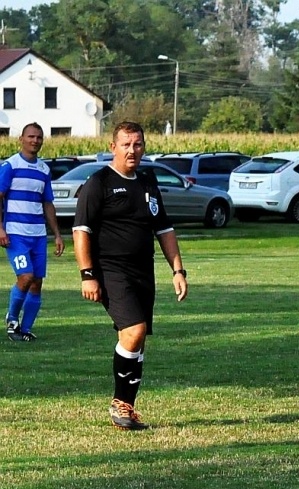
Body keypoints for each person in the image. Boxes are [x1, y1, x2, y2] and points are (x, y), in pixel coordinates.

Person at [72, 122, 188, 432]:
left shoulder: (148, 182)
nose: (132, 150)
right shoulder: (99, 183)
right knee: (134, 331)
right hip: (111, 270)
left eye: (137, 144)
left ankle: (127, 409)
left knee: (135, 341)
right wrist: (87, 275)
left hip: (143, 272)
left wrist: (177, 270)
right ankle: (119, 404)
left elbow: (164, 229)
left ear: (144, 146)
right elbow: (81, 231)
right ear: (113, 147)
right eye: (125, 144)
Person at [0, 123, 64, 342]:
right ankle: (11, 319)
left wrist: (56, 234)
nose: (35, 140)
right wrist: (0, 228)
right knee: (25, 277)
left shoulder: (44, 170)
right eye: (31, 136)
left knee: (36, 283)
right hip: (15, 234)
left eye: (38, 137)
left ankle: (24, 330)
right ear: (21, 139)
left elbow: (47, 203)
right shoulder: (10, 166)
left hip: (38, 235)